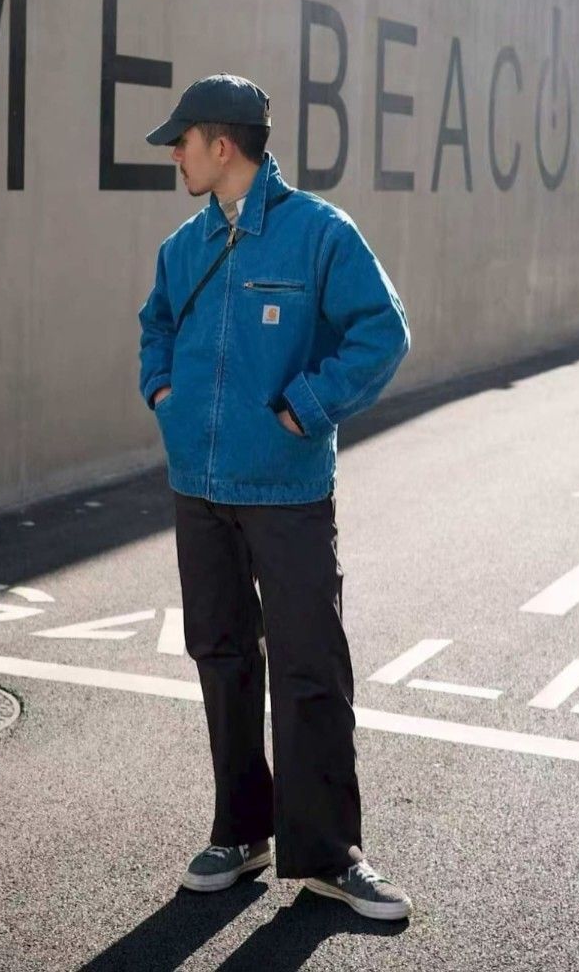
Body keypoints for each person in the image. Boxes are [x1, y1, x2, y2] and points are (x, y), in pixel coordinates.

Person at [138, 74, 413, 921]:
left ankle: (330, 855)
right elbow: (155, 326)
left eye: (181, 141)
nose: (174, 155)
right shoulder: (183, 246)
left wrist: (308, 406)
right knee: (220, 655)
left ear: (222, 145)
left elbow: (382, 333)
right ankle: (239, 831)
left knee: (308, 666)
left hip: (286, 489)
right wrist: (162, 394)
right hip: (197, 487)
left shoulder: (319, 234)